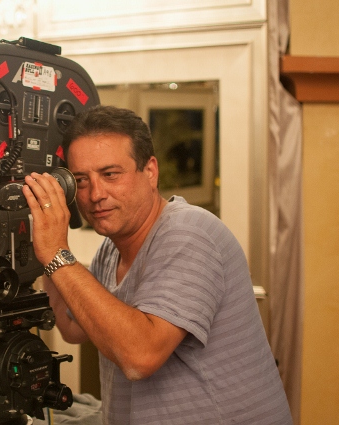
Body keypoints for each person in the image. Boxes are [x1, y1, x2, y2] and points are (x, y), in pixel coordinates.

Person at [21, 105, 292, 424]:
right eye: (81, 180)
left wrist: (57, 253)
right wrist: (39, 246)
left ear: (150, 171)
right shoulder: (110, 250)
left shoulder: (188, 233)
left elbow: (140, 356)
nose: (95, 194)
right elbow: (73, 327)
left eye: (110, 174)